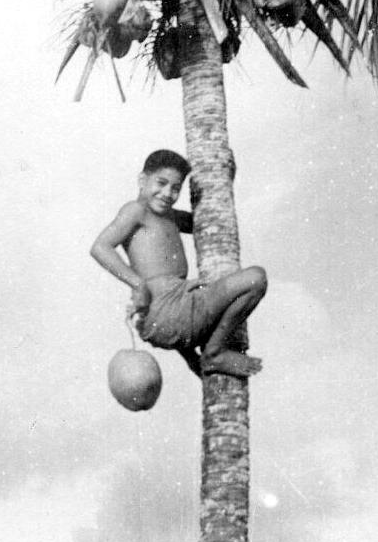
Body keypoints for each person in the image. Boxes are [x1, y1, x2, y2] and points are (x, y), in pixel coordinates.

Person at [90, 149, 267, 378]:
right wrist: (138, 285)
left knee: (194, 288)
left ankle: (201, 357)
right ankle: (214, 352)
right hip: (168, 311)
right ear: (142, 180)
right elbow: (100, 247)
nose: (167, 193)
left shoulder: (171, 216)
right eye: (161, 183)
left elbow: (209, 217)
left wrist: (223, 174)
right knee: (256, 278)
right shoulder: (136, 211)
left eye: (175, 188)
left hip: (175, 313)